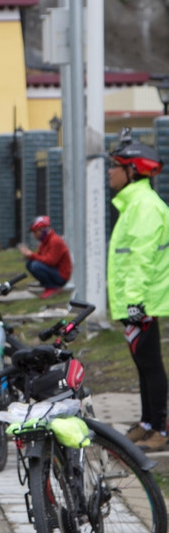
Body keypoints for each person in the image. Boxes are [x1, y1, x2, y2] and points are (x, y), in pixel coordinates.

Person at [106, 129, 169, 451]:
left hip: (141, 301)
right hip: (136, 301)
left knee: (150, 363)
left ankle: (160, 428)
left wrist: (134, 303)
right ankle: (147, 422)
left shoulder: (143, 206)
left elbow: (141, 261)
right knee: (143, 363)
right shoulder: (134, 204)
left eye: (114, 166)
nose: (109, 172)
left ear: (132, 171)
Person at [18, 215, 71, 299]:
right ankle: (47, 285)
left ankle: (52, 287)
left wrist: (32, 255)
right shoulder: (44, 242)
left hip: (61, 276)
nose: (34, 235)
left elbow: (51, 261)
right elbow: (40, 256)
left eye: (35, 232)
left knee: (36, 265)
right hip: (54, 271)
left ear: (42, 230)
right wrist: (29, 256)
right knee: (29, 263)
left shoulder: (55, 241)